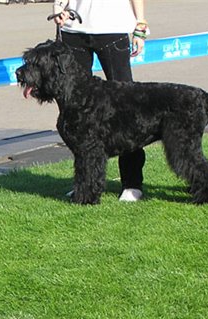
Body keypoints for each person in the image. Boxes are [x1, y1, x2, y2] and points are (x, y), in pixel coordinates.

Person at [53, 0, 149, 202]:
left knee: (126, 109)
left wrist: (140, 24)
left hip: (111, 28)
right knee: (75, 116)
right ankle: (85, 184)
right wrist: (58, 8)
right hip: (73, 28)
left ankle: (132, 183)